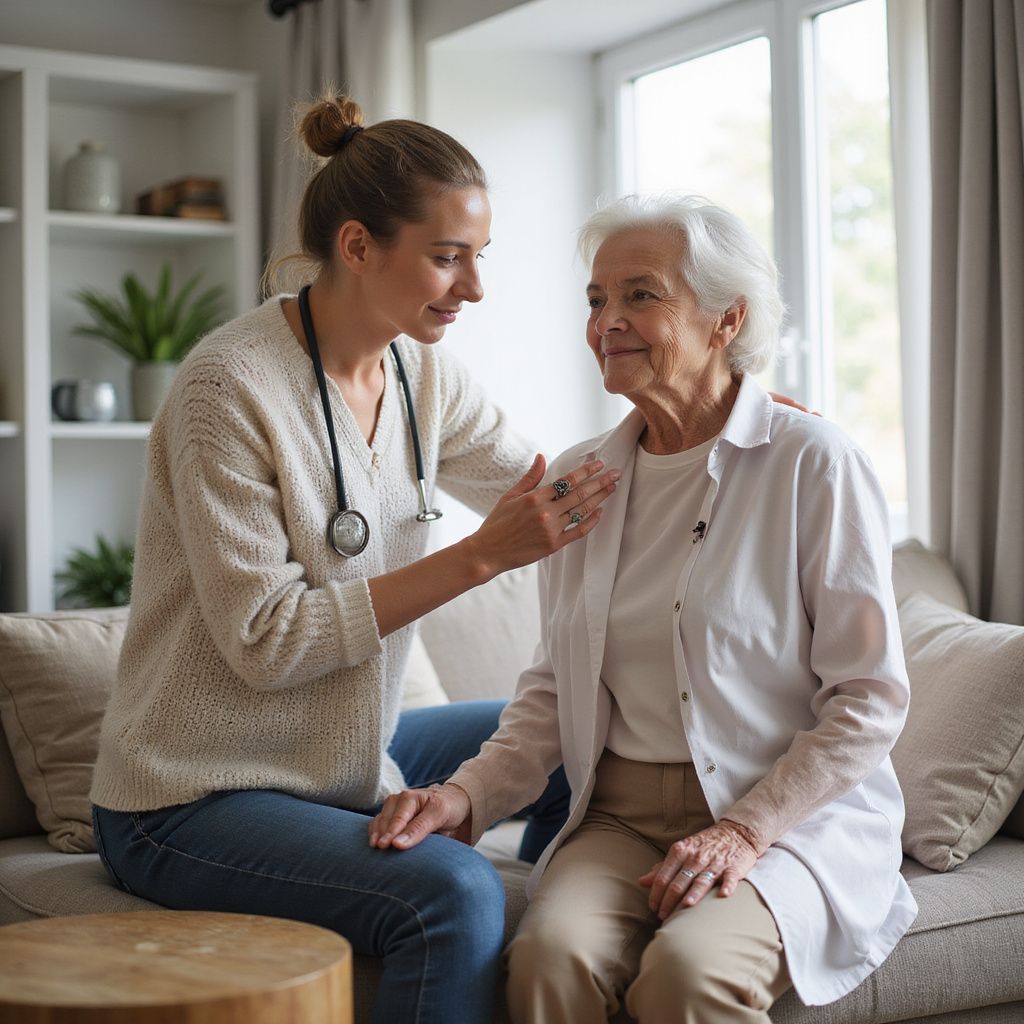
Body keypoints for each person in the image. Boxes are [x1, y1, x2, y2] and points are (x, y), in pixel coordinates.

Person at [88, 94, 623, 1024]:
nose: (473, 289)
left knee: (584, 736)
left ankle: (560, 957)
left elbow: (557, 488)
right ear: (359, 245)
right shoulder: (228, 390)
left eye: (478, 259)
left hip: (345, 762)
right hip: (191, 795)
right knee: (454, 892)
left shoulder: (425, 374)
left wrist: (726, 424)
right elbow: (267, 640)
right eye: (447, 258)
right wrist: (480, 558)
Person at [370, 193, 919, 1024]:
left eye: (640, 294)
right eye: (596, 299)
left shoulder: (814, 464)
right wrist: (468, 795)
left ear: (725, 319)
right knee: (550, 962)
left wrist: (743, 830)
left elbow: (870, 698)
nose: (606, 322)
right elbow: (554, 688)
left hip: (781, 815)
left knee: (687, 978)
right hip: (619, 815)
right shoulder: (586, 478)